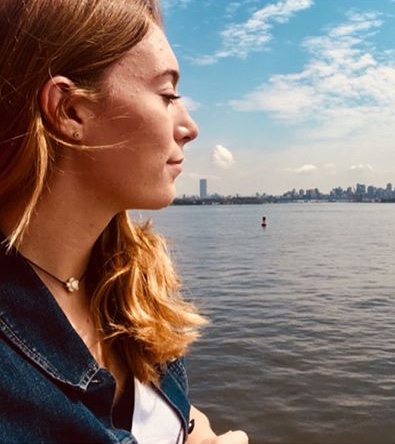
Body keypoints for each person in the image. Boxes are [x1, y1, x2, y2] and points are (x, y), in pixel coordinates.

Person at [0, 1, 249, 443]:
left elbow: (175, 417)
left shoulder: (131, 284)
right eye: (168, 95)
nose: (189, 127)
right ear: (70, 111)